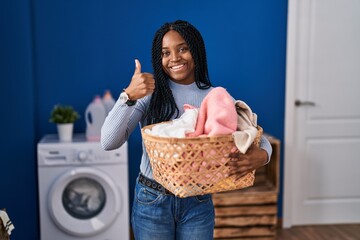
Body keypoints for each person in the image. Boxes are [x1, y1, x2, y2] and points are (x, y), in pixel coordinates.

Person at [101, 20, 272, 240]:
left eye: (183, 49)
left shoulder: (216, 98)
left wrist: (264, 155)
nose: (174, 58)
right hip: (151, 200)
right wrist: (127, 96)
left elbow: (253, 133)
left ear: (196, 50)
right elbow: (108, 141)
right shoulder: (149, 95)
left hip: (197, 201)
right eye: (165, 53)